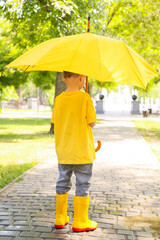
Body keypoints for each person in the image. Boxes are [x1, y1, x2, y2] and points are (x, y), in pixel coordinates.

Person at [51, 71, 97, 232]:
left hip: (64, 151)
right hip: (82, 152)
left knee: (63, 181)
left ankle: (60, 217)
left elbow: (56, 121)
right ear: (82, 78)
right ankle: (80, 220)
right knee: (82, 183)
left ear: (63, 78)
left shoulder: (58, 99)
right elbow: (91, 123)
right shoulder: (85, 98)